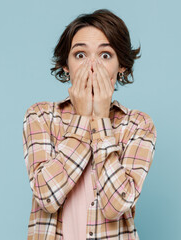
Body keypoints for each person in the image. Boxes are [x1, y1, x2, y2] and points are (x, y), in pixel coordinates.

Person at [22, 8, 157, 240]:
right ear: (67, 65)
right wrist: (83, 119)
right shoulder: (41, 116)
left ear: (121, 66)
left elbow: (117, 205)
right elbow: (46, 196)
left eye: (105, 55)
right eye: (80, 55)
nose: (91, 66)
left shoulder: (138, 124)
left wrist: (102, 120)